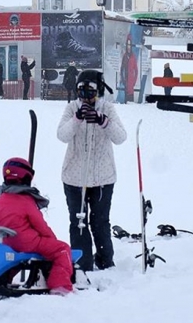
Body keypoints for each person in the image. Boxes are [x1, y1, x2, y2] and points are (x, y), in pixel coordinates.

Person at [56, 70, 127, 275]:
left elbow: (121, 137)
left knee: (100, 221)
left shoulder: (107, 108)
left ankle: (105, 261)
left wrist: (103, 121)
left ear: (99, 91)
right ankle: (82, 263)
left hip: (102, 177)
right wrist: (77, 119)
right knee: (78, 221)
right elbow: (62, 135)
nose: (86, 97)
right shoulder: (72, 108)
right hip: (74, 177)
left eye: (90, 91)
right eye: (81, 91)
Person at [0, 157, 74, 295]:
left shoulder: (1, 198)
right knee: (62, 249)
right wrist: (51, 239)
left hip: (7, 241)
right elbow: (40, 225)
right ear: (26, 177)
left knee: (14, 259)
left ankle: (2, 279)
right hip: (27, 242)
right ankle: (60, 285)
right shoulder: (25, 200)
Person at [119, 35, 138, 103]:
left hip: (131, 81)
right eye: (128, 45)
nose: (128, 47)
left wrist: (134, 81)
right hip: (126, 81)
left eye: (130, 45)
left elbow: (136, 70)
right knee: (126, 99)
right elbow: (122, 69)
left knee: (131, 99)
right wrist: (123, 79)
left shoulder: (133, 56)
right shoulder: (125, 56)